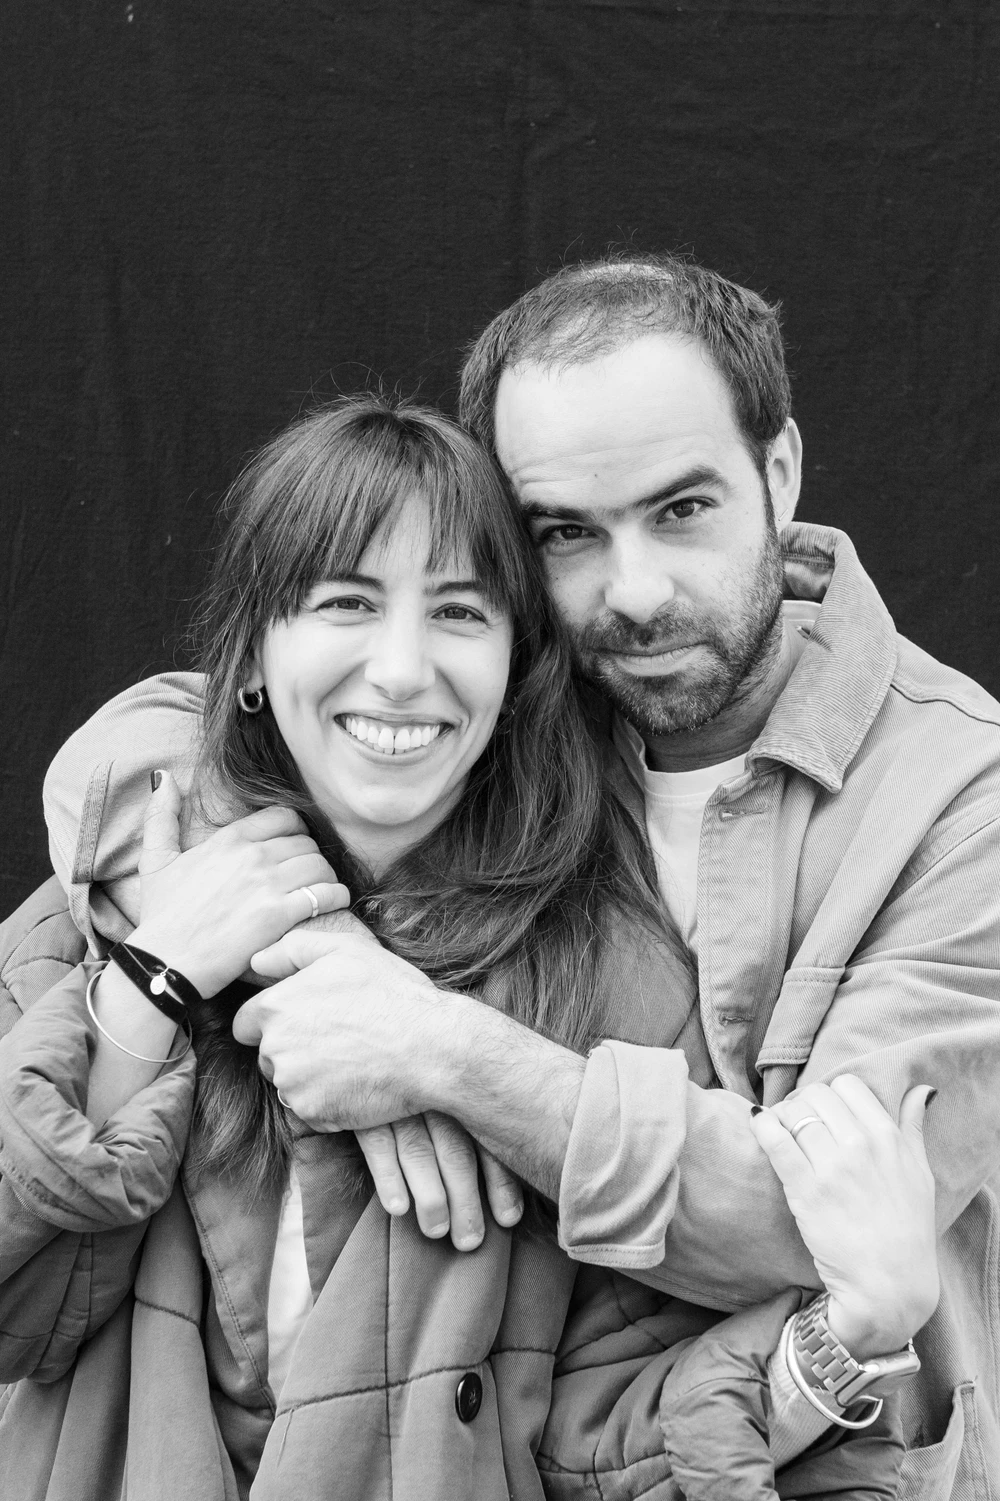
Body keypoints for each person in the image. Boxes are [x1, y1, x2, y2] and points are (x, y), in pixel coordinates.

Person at [44, 254, 1000, 1496]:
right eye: (565, 532)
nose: (634, 593)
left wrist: (435, 1050)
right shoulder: (518, 701)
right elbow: (162, 741)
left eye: (682, 509)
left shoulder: (960, 795)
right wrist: (303, 948)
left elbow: (800, 1227)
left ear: (779, 474)